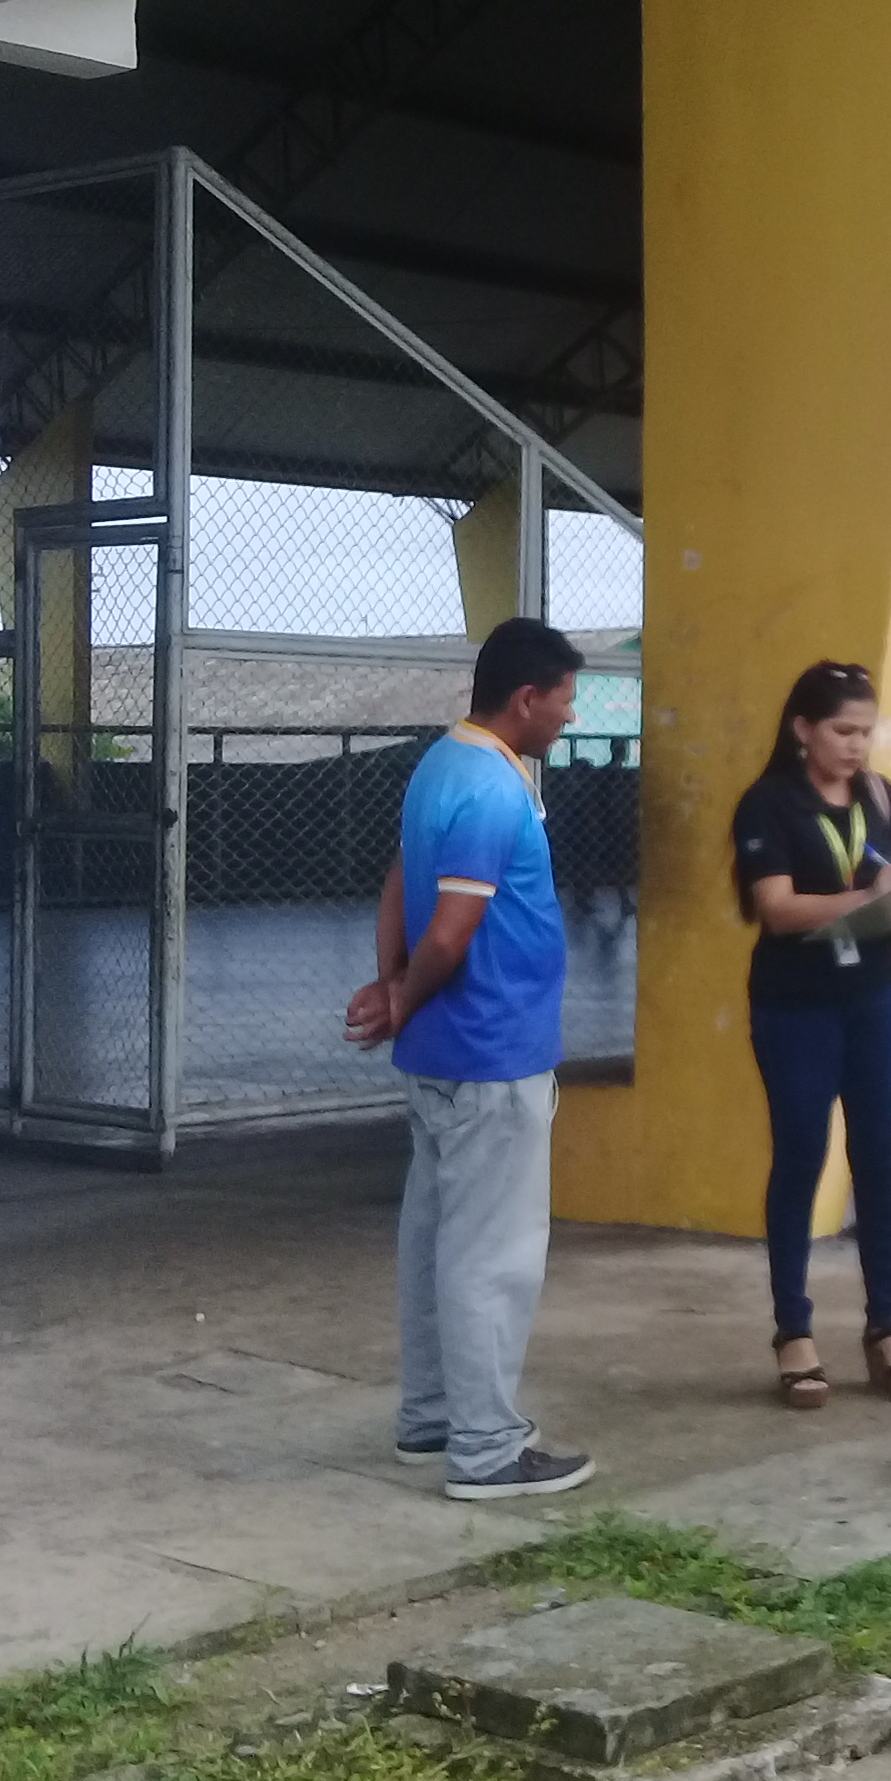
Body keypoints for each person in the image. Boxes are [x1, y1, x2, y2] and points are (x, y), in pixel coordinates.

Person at [343, 616, 597, 1501]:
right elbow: (450, 932)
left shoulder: (441, 765)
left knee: (435, 1237)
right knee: (493, 1252)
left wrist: (392, 987)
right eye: (564, 700)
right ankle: (486, 1447)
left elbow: (399, 879)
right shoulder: (493, 787)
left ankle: (432, 1414)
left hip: (443, 1056)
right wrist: (405, 993)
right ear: (526, 699)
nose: (569, 716)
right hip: (493, 1054)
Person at [732, 661, 891, 1411]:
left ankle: (887, 1326)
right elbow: (776, 908)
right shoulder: (769, 804)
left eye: (866, 731)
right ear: (804, 729)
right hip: (798, 1006)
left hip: (877, 998)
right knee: (801, 1157)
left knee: (879, 1159)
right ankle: (793, 1331)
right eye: (843, 731)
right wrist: (866, 897)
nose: (857, 745)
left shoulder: (880, 796)